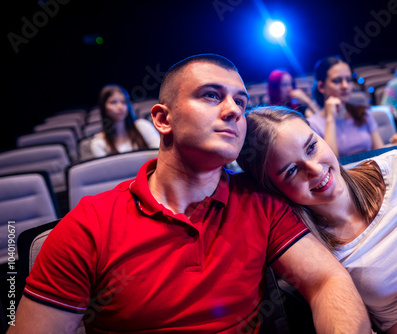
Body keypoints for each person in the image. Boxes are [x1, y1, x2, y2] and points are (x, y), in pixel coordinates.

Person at [9, 54, 371, 333]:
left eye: (241, 103)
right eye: (212, 96)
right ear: (163, 119)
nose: (233, 110)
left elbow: (327, 281)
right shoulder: (90, 224)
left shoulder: (260, 201)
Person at [237, 105, 397, 333]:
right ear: (274, 188)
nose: (315, 170)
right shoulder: (305, 246)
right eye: (292, 170)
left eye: (312, 147)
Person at [307, 56, 397, 158]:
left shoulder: (362, 112)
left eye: (348, 80)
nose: (345, 86)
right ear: (321, 86)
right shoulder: (313, 124)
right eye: (337, 81)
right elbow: (330, 161)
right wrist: (330, 119)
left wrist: (396, 143)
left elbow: (378, 151)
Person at [89, 84, 160, 158]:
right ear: (104, 108)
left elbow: (159, 154)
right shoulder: (98, 143)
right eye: (113, 102)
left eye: (124, 102)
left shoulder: (143, 126)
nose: (120, 107)